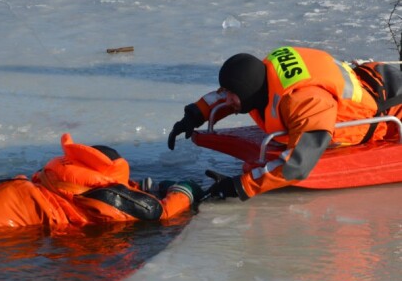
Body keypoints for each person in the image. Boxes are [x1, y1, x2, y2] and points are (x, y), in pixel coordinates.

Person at [168, 46, 402, 201]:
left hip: (393, 107)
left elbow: (298, 164)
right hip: (375, 78)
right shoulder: (263, 76)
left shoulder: (306, 101)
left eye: (232, 94)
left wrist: (241, 185)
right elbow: (228, 93)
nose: (226, 99)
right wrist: (194, 116)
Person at [0, 133, 207, 237]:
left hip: (2, 192)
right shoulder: (104, 197)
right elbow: (158, 212)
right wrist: (186, 189)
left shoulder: (58, 175)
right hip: (9, 213)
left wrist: (143, 185)